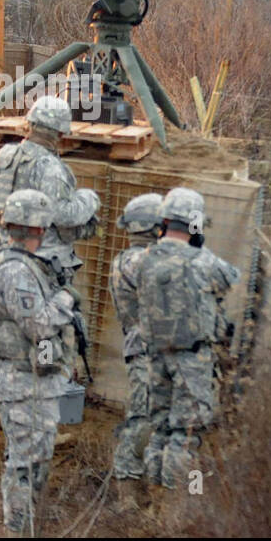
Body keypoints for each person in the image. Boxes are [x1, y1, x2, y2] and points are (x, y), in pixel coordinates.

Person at [0, 189, 77, 535]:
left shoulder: (21, 264)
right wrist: (66, 299)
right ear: (38, 228)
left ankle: (24, 526)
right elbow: (38, 325)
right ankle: (15, 530)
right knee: (24, 465)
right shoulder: (14, 270)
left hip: (31, 379)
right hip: (21, 383)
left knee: (35, 462)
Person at [136, 187, 240, 490]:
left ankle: (152, 500)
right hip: (191, 359)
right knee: (186, 435)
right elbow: (231, 277)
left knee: (161, 429)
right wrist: (199, 246)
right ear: (195, 224)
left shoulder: (143, 260)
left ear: (164, 222)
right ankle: (177, 506)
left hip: (155, 356)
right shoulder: (202, 261)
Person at [0, 94, 99, 286]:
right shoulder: (50, 168)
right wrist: (89, 199)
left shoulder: (7, 155)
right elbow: (64, 216)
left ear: (29, 124)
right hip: (44, 265)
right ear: (61, 134)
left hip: (7, 257)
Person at [109, 192, 164, 508]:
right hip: (145, 353)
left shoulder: (140, 260)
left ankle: (149, 484)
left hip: (156, 353)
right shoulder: (135, 261)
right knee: (142, 418)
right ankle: (127, 487)